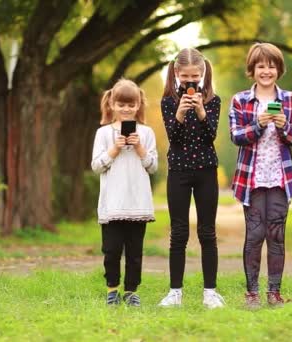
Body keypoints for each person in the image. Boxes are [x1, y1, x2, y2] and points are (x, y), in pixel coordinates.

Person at [229, 43, 292, 309]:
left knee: (277, 235)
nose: (266, 71)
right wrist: (258, 124)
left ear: (278, 69)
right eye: (261, 66)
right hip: (252, 178)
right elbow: (236, 136)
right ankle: (252, 294)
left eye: (271, 65)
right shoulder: (240, 100)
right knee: (255, 234)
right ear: (252, 69)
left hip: (281, 178)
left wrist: (284, 127)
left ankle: (274, 292)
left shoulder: (290, 99)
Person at [158, 48, 225, 309]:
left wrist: (200, 111)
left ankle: (210, 292)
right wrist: (179, 113)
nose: (190, 81)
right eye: (185, 76)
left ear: (203, 72)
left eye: (195, 76)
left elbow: (210, 136)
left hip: (206, 170)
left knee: (207, 232)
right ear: (176, 74)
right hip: (179, 171)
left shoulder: (213, 100)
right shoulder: (167, 101)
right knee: (179, 232)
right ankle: (175, 292)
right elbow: (173, 138)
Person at [91, 78, 158, 306]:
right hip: (112, 204)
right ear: (111, 104)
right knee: (111, 250)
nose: (126, 109)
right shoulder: (103, 134)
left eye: (131, 105)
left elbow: (153, 166)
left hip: (137, 203)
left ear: (138, 105)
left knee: (135, 253)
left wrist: (139, 148)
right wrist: (115, 149)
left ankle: (131, 291)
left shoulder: (147, 133)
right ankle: (112, 289)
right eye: (121, 104)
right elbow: (96, 166)